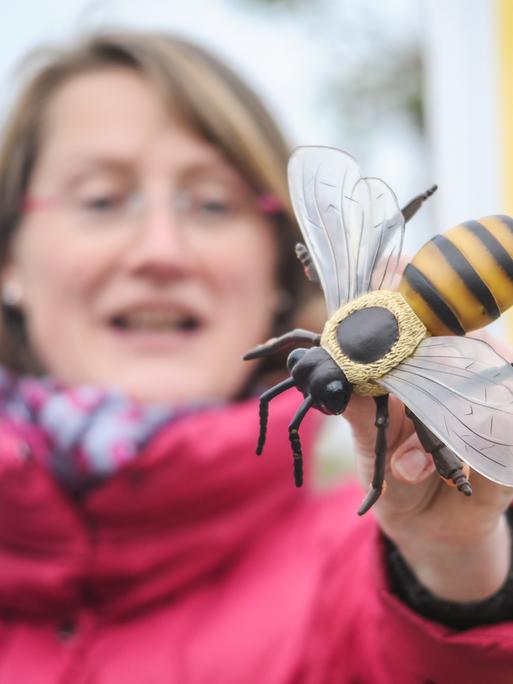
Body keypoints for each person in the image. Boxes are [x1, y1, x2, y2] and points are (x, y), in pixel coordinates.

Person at [0, 30, 511, 684]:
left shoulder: (362, 559)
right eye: (101, 199)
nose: (161, 248)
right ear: (10, 253)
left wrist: (453, 571)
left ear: (280, 265)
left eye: (212, 203)